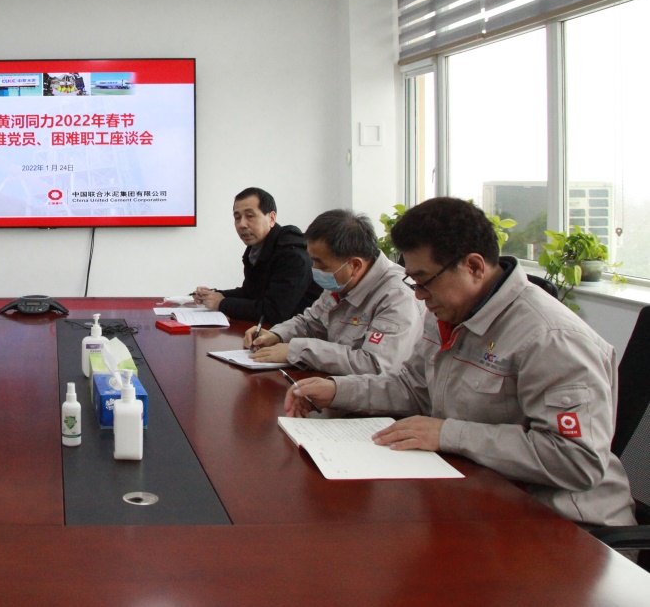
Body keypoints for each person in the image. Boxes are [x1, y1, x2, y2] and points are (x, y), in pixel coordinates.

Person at [285, 197, 636, 528]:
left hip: (563, 525)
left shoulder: (552, 338)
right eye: (412, 280)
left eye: (424, 280)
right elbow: (412, 387)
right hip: (480, 496)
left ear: (474, 267)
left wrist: (447, 433)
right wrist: (337, 390)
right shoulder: (448, 311)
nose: (417, 295)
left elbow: (577, 460)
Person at [245, 209, 424, 375]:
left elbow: (375, 365)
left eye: (321, 264)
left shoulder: (397, 296)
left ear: (355, 265)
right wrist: (277, 335)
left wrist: (299, 351)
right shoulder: (342, 281)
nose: (314, 269)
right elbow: (310, 322)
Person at [194, 187, 321, 324]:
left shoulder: (292, 255)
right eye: (237, 217)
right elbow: (251, 293)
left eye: (249, 216)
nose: (242, 224)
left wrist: (221, 303)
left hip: (304, 332)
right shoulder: (257, 248)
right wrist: (213, 295)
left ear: (271, 218)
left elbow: (274, 312)